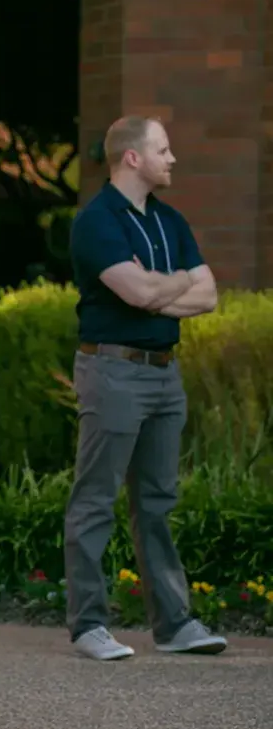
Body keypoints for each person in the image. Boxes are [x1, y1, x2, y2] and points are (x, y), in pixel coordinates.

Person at [64, 115, 226, 660]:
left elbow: (208, 296)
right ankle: (89, 626)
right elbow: (134, 293)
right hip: (113, 372)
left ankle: (174, 626)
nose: (173, 158)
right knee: (95, 501)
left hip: (164, 373)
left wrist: (163, 289)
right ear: (132, 157)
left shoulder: (171, 220)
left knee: (156, 502)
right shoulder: (96, 223)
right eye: (163, 149)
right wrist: (168, 286)